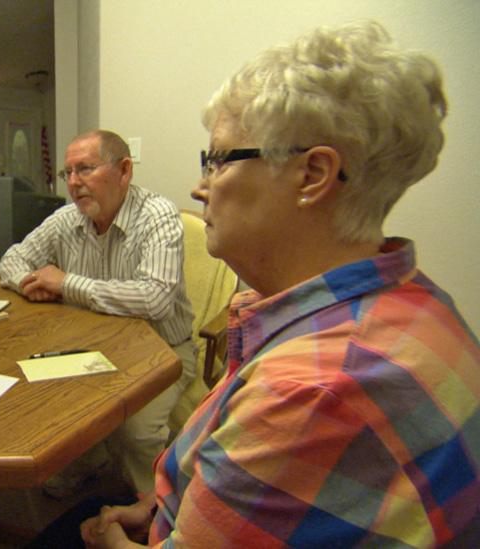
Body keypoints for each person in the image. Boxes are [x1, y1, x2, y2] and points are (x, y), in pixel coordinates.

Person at [28, 21, 480, 548]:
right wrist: (166, 502)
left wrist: (109, 537)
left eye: (218, 159)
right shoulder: (420, 299)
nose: (199, 186)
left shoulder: (310, 392)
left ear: (312, 176)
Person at [0, 130, 196, 496]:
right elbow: (12, 258)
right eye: (67, 173)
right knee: (35, 395)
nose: (74, 182)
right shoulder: (65, 219)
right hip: (89, 348)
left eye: (85, 169)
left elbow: (155, 299)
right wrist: (31, 281)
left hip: (161, 350)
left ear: (123, 171)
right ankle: (88, 461)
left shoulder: (158, 216)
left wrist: (65, 283)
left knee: (136, 431)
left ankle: (157, 508)